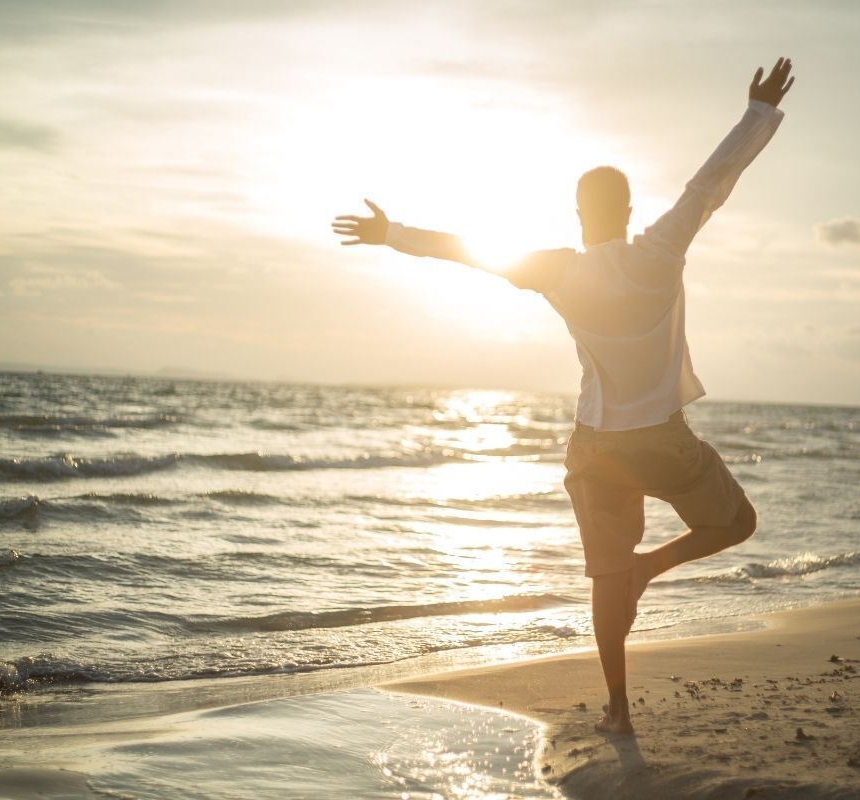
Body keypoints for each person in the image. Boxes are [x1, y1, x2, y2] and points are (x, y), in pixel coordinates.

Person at [332, 57, 795, 736]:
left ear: (580, 214)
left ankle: (619, 711)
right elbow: (710, 184)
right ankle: (650, 571)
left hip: (596, 446)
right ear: (629, 211)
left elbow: (466, 251)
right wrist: (758, 110)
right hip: (663, 440)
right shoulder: (660, 249)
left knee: (606, 579)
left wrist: (390, 233)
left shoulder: (558, 270)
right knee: (736, 523)